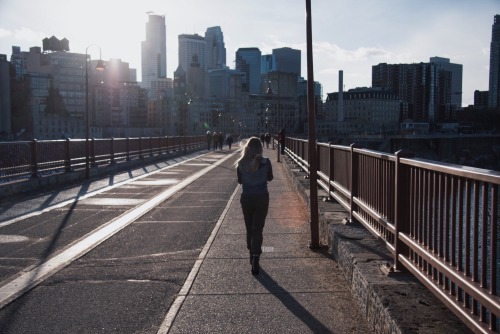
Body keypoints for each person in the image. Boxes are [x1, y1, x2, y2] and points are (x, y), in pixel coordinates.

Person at [236, 137, 273, 275]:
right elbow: (270, 178)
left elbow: (240, 181)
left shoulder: (241, 163)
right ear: (260, 148)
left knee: (249, 227)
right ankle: (256, 255)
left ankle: (251, 251)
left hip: (246, 197)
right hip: (262, 197)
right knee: (258, 229)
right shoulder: (266, 162)